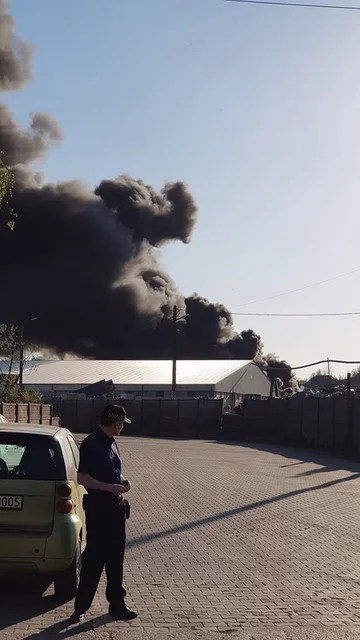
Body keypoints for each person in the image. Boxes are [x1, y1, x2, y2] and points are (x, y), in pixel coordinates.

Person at [70, 404, 137, 623]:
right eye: (120, 424)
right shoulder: (91, 444)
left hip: (116, 510)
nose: (122, 428)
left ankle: (117, 605)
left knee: (116, 559)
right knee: (94, 560)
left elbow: (113, 470)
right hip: (99, 510)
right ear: (114, 422)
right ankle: (80, 608)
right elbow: (83, 477)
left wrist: (121, 481)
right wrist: (109, 488)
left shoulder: (112, 443)